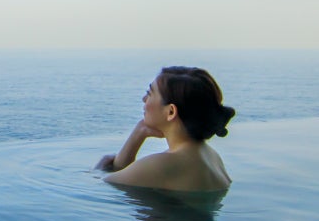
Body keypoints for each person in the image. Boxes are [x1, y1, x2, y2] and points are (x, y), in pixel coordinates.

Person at [96, 66, 235, 193]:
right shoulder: (211, 156)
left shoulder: (161, 165)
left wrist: (101, 168)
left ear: (171, 112)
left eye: (149, 93)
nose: (144, 99)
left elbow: (100, 186)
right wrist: (139, 132)